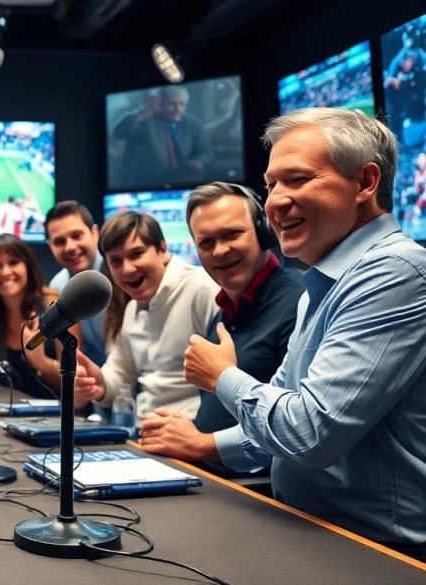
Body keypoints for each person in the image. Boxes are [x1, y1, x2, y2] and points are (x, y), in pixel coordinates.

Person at [182, 108, 426, 560]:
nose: (274, 202)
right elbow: (273, 424)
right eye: (271, 185)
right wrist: (202, 445)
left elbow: (310, 433)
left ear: (365, 182)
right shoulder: (319, 286)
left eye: (296, 180)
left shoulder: (396, 272)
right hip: (317, 535)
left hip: (381, 557)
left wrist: (224, 378)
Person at [138, 182, 304, 470]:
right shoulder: (224, 313)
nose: (219, 251)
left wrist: (198, 444)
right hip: (208, 476)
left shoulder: (299, 304)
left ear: (264, 232)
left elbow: (299, 429)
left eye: (232, 234)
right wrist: (184, 430)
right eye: (206, 242)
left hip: (255, 494)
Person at [74, 211, 219, 419]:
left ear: (162, 249)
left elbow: (226, 378)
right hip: (142, 433)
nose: (127, 269)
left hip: (191, 433)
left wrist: (200, 437)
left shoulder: (201, 288)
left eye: (136, 254)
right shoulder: (133, 308)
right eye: (116, 261)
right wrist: (100, 384)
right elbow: (121, 376)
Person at [0, 234, 77, 398]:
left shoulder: (56, 307)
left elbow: (76, 388)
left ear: (28, 266)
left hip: (55, 417)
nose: (6, 272)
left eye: (14, 262)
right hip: (5, 415)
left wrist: (42, 362)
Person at [112, 85, 214, 188]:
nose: (177, 109)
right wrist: (146, 112)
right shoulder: (146, 121)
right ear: (161, 104)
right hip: (148, 183)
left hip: (185, 181)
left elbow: (207, 151)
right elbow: (119, 133)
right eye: (172, 104)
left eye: (182, 104)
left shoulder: (192, 125)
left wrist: (201, 161)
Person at [44, 201, 107, 366]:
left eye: (77, 236)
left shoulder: (120, 273)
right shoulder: (57, 286)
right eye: (59, 241)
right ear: (50, 246)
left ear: (95, 233)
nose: (70, 247)